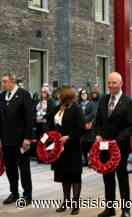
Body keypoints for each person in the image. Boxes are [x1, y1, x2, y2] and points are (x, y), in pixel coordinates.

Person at [94, 72, 132, 217]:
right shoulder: (103, 100)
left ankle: (126, 210)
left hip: (120, 146)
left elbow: (131, 126)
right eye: (109, 82)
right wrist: (98, 134)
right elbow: (98, 121)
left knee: (122, 177)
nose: (111, 85)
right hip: (104, 146)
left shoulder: (129, 102)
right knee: (107, 177)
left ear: (121, 84)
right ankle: (110, 208)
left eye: (114, 83)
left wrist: (116, 141)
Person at [46, 86, 84, 215]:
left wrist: (69, 136)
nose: (57, 96)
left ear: (66, 96)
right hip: (59, 149)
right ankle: (66, 201)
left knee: (74, 176)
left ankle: (75, 204)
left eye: (60, 94)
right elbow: (50, 123)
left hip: (72, 148)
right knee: (63, 175)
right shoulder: (57, 108)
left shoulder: (76, 109)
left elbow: (81, 128)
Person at [0, 73, 33, 205]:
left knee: (24, 168)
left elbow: (29, 118)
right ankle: (14, 192)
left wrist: (28, 138)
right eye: (2, 82)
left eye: (5, 82)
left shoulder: (24, 94)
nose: (3, 84)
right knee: (10, 168)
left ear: (12, 81)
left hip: (21, 140)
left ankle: (27, 195)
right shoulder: (1, 96)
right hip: (6, 139)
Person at [78, 88, 96, 166]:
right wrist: (82, 122)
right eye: (82, 94)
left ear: (87, 95)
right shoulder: (78, 104)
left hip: (89, 127)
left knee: (90, 144)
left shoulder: (91, 104)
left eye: (85, 94)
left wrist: (86, 121)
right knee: (83, 145)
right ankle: (85, 160)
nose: (83, 95)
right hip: (82, 128)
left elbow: (93, 114)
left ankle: (91, 160)